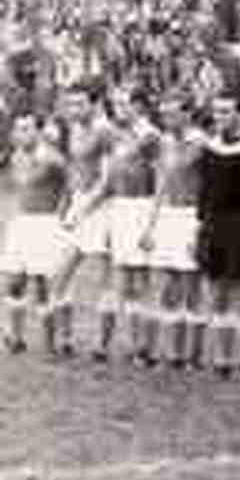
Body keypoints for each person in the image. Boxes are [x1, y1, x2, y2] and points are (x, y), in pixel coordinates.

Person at [139, 93, 207, 369]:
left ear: (188, 114)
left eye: (173, 113)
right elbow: (160, 186)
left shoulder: (202, 144)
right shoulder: (165, 143)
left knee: (192, 284)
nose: (167, 119)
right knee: (167, 284)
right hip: (168, 215)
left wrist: (202, 227)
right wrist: (150, 225)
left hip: (192, 216)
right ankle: (168, 351)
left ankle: (193, 355)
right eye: (164, 114)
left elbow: (209, 189)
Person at [51, 82, 116, 358]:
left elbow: (107, 180)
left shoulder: (105, 130)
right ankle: (65, 339)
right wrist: (66, 204)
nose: (73, 109)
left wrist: (83, 209)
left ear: (95, 103)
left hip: (102, 209)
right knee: (58, 274)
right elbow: (74, 170)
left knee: (105, 278)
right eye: (70, 103)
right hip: (79, 202)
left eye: (79, 103)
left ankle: (101, 346)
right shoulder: (74, 128)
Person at [196, 92, 240, 378]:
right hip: (214, 227)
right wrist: (201, 228)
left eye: (227, 112)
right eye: (217, 112)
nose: (221, 118)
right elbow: (204, 193)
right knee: (217, 293)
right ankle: (222, 358)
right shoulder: (210, 149)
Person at [104, 88, 161, 365]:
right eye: (115, 104)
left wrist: (151, 223)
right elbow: (111, 178)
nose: (117, 108)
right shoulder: (118, 135)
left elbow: (161, 181)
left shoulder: (150, 136)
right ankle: (133, 344)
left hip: (142, 208)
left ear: (138, 107)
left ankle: (144, 348)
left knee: (141, 280)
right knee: (124, 280)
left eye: (123, 104)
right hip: (121, 208)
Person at [2, 114, 68, 353]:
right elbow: (19, 187)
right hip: (22, 223)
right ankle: (16, 338)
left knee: (41, 283)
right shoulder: (16, 156)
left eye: (27, 129)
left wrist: (61, 216)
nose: (21, 134)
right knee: (14, 282)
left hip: (44, 224)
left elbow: (68, 186)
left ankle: (50, 344)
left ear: (38, 131)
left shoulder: (52, 158)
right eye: (19, 129)